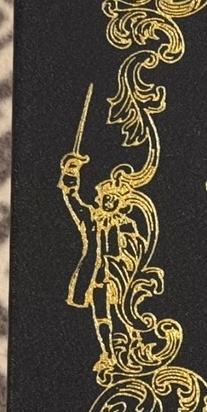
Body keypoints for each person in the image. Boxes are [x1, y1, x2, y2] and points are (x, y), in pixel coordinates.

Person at [59, 157, 146, 374]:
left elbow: (136, 249)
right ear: (101, 198)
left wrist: (127, 263)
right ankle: (107, 353)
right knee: (101, 314)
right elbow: (72, 198)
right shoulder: (90, 217)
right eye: (107, 198)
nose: (109, 203)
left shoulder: (126, 224)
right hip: (94, 273)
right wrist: (71, 173)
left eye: (113, 200)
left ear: (120, 203)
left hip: (119, 274)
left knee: (124, 311)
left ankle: (135, 344)